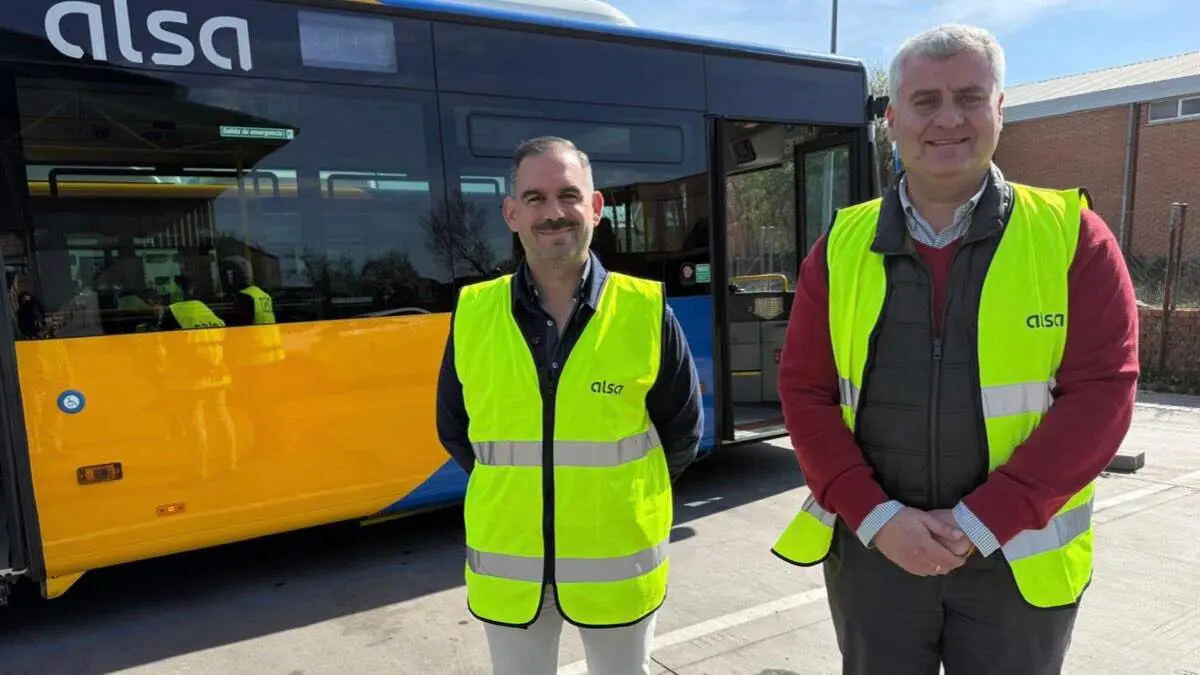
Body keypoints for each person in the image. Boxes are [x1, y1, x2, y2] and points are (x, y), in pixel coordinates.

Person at [770, 23, 1139, 675]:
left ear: (1000, 109)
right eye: (925, 100)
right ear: (892, 120)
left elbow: (1103, 398)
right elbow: (805, 392)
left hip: (1018, 561)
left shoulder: (1071, 237)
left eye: (970, 97)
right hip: (876, 557)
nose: (948, 119)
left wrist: (981, 519)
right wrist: (877, 515)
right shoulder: (841, 245)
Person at [435, 136, 703, 675]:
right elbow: (456, 430)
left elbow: (682, 432)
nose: (552, 213)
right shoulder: (473, 314)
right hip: (512, 568)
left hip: (617, 565)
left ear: (596, 208)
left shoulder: (645, 312)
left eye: (568, 195)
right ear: (512, 214)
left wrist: (611, 499)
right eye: (534, 198)